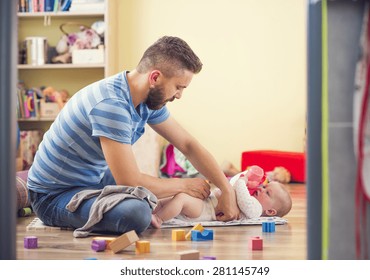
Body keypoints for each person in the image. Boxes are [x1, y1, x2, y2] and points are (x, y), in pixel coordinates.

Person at [27, 36, 240, 235]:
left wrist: (226, 189)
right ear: (155, 77)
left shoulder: (147, 99)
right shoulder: (111, 104)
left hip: (92, 179)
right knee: (137, 213)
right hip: (53, 197)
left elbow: (188, 144)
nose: (179, 95)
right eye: (178, 87)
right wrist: (184, 184)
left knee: (148, 192)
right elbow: (129, 180)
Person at [150, 176, 292, 229]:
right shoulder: (250, 199)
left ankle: (158, 218)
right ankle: (152, 209)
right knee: (173, 198)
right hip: (206, 202)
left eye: (267, 193)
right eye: (264, 186)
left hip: (205, 211)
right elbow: (229, 188)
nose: (261, 189)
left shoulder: (254, 209)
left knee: (181, 198)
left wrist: (242, 181)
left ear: (270, 212)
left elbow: (243, 199)